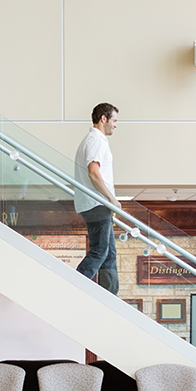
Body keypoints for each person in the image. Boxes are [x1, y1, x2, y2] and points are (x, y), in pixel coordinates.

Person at [74, 103, 121, 295]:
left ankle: (109, 297)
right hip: (97, 204)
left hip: (97, 204)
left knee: (109, 253)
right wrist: (112, 199)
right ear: (104, 118)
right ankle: (74, 287)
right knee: (100, 251)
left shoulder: (96, 140)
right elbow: (93, 173)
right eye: (114, 120)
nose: (115, 125)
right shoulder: (96, 140)